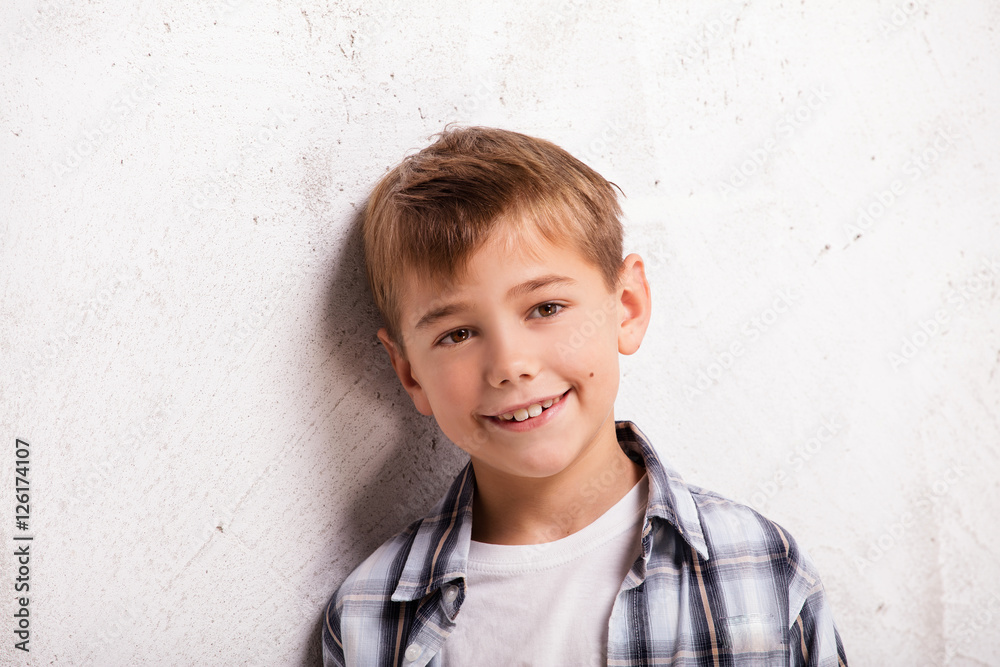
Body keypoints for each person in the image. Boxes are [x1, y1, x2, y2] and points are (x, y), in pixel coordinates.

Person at [321, 126, 848, 666]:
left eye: (546, 308)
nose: (510, 366)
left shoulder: (761, 567)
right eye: (457, 334)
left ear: (627, 306)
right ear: (409, 373)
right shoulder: (370, 621)